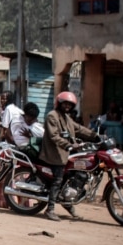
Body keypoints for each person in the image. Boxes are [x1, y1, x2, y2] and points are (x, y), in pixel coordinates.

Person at [39, 91, 100, 221]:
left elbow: (79, 129)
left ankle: (68, 202)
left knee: (73, 175)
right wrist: (68, 145)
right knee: (58, 179)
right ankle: (50, 209)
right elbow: (54, 136)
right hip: (53, 153)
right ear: (59, 103)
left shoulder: (66, 118)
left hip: (65, 153)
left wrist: (95, 136)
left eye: (70, 104)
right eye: (65, 103)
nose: (67, 106)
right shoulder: (52, 116)